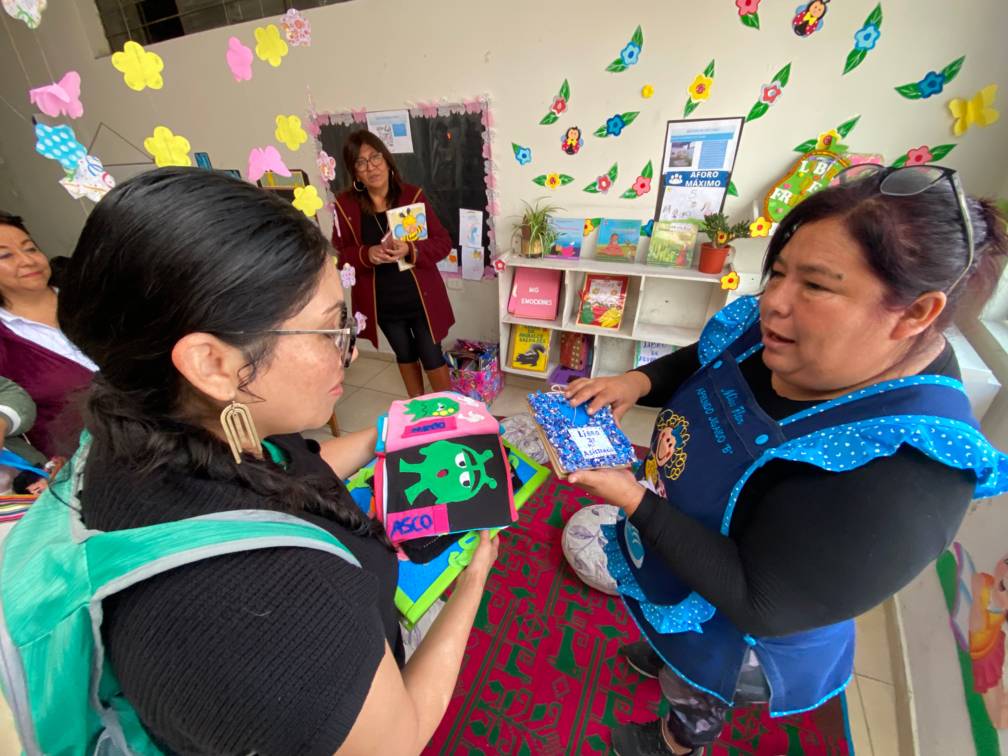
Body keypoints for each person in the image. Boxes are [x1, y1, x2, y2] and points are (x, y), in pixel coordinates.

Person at [0, 168, 498, 754]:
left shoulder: (143, 424)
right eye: (330, 328)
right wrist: (472, 582)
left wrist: (385, 434)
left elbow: (285, 472)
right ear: (211, 363)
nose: (352, 347)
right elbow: (400, 738)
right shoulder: (270, 609)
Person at [564, 164, 1008, 756]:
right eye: (777, 272)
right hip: (679, 558)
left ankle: (676, 740)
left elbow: (761, 601)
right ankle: (667, 647)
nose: (772, 303)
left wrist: (631, 498)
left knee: (699, 691)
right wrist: (637, 383)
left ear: (915, 313)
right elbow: (711, 360)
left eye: (817, 286)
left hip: (742, 630)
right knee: (676, 634)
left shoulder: (912, 472)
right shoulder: (776, 331)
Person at [332, 130, 455, 397]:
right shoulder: (344, 206)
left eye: (375, 157)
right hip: (384, 304)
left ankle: (451, 416)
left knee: (432, 356)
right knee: (405, 355)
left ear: (387, 160)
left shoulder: (412, 196)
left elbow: (443, 242)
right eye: (361, 163)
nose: (371, 167)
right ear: (355, 173)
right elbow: (340, 256)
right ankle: (419, 411)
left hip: (421, 298)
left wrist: (411, 249)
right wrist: (367, 254)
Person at [0, 211, 95, 457]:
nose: (28, 261)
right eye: (5, 255)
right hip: (87, 463)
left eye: (30, 248)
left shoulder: (91, 297)